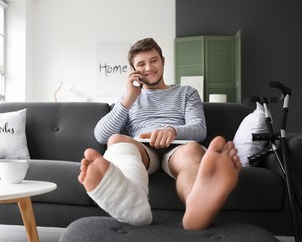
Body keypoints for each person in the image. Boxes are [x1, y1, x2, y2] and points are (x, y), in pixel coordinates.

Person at [78, 38, 241, 230]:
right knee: (115, 139)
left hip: (179, 147)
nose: (149, 67)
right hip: (145, 150)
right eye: (141, 64)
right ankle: (132, 202)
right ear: (134, 70)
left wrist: (172, 131)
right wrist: (130, 97)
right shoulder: (128, 98)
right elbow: (101, 136)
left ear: (163, 60)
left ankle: (197, 205)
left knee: (192, 152)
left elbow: (199, 129)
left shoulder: (186, 92)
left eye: (153, 60)